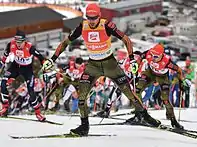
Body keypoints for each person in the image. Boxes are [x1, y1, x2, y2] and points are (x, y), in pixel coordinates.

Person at [42, 3, 161, 136]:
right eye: (89, 17)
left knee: (129, 93)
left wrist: (132, 59)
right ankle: (84, 126)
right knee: (82, 97)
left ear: (99, 16)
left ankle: (145, 116)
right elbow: (65, 42)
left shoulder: (106, 25)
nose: (91, 21)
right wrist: (52, 59)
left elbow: (126, 39)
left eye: (94, 18)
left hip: (110, 64)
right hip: (93, 65)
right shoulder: (83, 26)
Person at [136, 44, 190, 129]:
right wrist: (136, 67)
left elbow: (179, 70)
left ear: (161, 55)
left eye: (156, 56)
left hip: (162, 77)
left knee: (165, 99)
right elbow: (140, 57)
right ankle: (140, 114)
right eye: (152, 54)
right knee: (137, 90)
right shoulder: (149, 53)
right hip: (150, 73)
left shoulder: (167, 61)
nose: (153, 57)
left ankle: (173, 121)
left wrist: (181, 82)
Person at [0, 30, 46, 121]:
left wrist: (45, 65)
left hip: (27, 69)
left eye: (20, 42)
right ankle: (5, 108)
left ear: (24, 41)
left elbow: (41, 58)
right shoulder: (11, 45)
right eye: (17, 42)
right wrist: (1, 65)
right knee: (3, 84)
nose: (18, 44)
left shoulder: (30, 47)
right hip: (15, 67)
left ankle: (38, 113)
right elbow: (4, 58)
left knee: (30, 91)